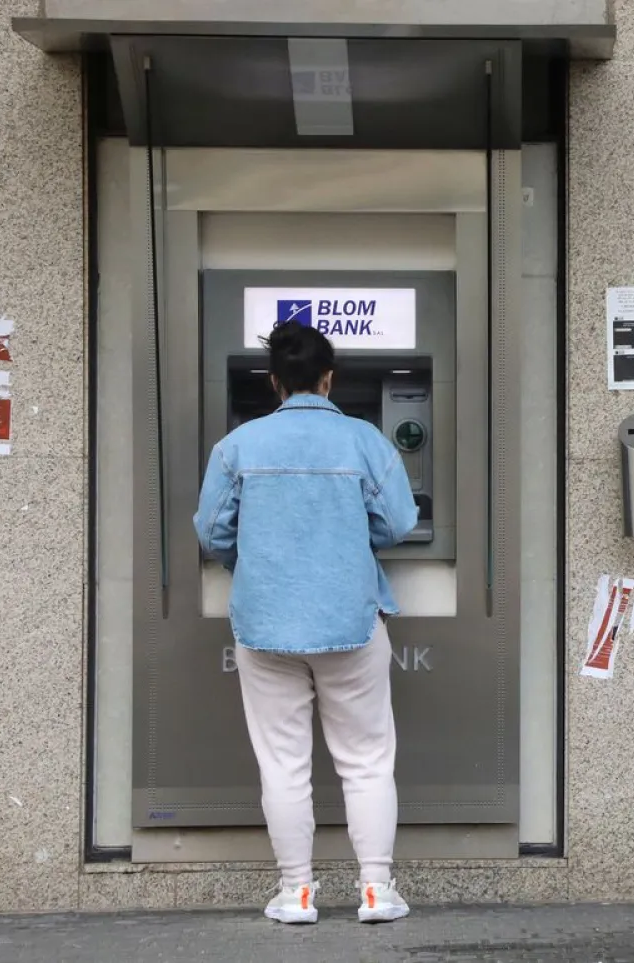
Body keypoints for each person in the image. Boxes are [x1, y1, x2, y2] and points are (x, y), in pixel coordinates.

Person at [193, 322, 419, 925]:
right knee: (367, 758)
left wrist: (258, 560)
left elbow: (212, 531)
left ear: (273, 382)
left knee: (282, 763)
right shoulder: (363, 438)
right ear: (329, 377)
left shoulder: (239, 445)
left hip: (265, 625)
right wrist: (348, 536)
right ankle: (376, 890)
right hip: (350, 618)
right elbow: (398, 521)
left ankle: (296, 893)